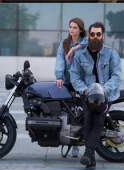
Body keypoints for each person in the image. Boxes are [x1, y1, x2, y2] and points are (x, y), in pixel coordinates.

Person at [70, 22, 122, 170]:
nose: (95, 37)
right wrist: (85, 90)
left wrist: (103, 90)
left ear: (103, 36)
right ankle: (90, 158)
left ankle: (88, 153)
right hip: (87, 94)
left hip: (105, 94)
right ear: (89, 35)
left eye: (98, 34)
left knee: (97, 118)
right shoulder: (80, 55)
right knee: (87, 118)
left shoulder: (111, 53)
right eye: (92, 34)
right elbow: (75, 77)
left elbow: (117, 76)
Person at [55, 17, 87, 158]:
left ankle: (82, 144)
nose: (72, 30)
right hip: (68, 82)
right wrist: (59, 76)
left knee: (82, 112)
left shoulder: (85, 42)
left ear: (80, 29)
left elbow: (92, 43)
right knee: (70, 113)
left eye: (75, 27)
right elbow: (60, 60)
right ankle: (72, 143)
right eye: (70, 27)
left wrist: (75, 48)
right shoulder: (64, 43)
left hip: (82, 82)